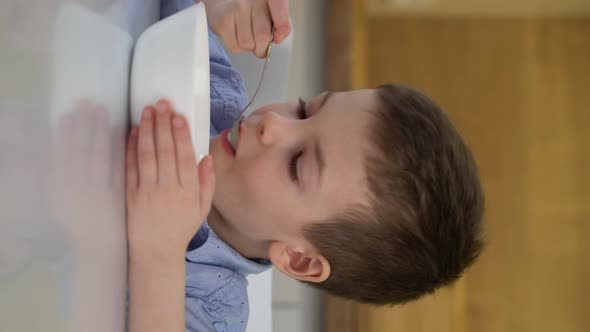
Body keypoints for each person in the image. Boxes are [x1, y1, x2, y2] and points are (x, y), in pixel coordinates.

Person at [127, 1, 485, 332]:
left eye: (297, 164)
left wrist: (159, 258)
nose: (273, 125)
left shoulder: (215, 309)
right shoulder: (215, 88)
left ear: (298, 258)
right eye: (304, 111)